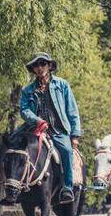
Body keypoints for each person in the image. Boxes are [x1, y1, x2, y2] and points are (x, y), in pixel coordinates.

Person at [20, 52, 82, 203]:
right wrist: (36, 120)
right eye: (36, 65)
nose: (40, 67)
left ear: (49, 66)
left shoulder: (62, 85)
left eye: (43, 64)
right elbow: (24, 110)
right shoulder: (27, 90)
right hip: (34, 129)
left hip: (58, 131)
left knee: (67, 151)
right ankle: (13, 189)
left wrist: (75, 135)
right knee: (12, 146)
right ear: (33, 69)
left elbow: (72, 110)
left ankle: (67, 188)